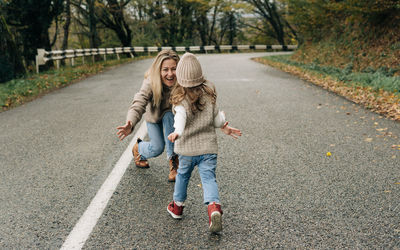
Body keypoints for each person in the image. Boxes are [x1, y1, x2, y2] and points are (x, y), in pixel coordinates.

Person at [166, 53, 242, 233]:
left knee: (182, 177)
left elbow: (181, 120)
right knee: (208, 178)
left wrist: (177, 132)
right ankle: (214, 207)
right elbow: (217, 121)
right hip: (208, 149)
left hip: (186, 150)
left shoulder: (179, 100)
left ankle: (177, 207)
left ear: (180, 78)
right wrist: (225, 124)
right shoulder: (209, 97)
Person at [116, 50, 180, 182]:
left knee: (169, 115)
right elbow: (139, 101)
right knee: (157, 148)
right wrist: (131, 122)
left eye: (174, 69)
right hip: (154, 116)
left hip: (172, 117)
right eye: (165, 69)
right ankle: (138, 148)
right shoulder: (151, 81)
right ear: (158, 70)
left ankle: (174, 162)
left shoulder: (183, 80)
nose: (170, 74)